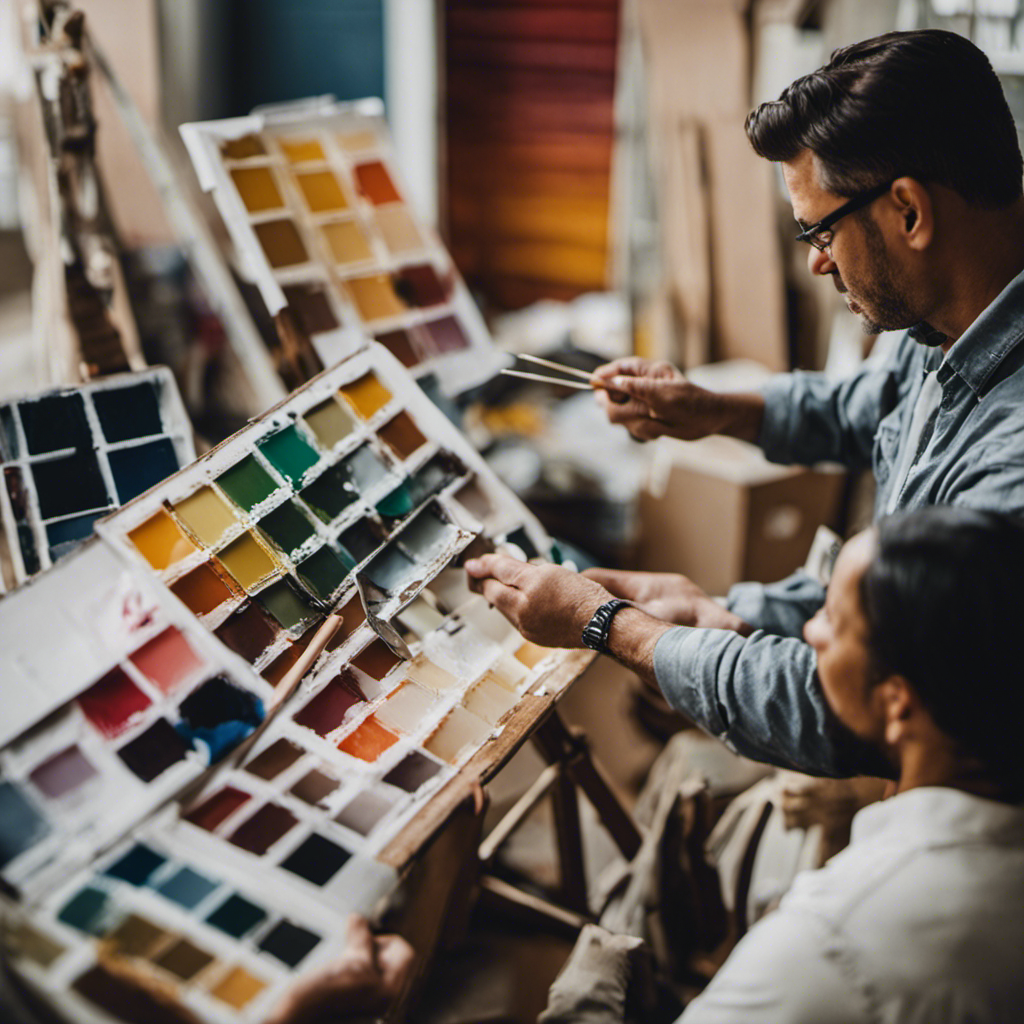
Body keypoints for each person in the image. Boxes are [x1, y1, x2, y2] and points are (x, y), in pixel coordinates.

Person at [469, 28, 1024, 780]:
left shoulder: (1009, 471)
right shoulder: (947, 319)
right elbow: (865, 407)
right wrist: (709, 413)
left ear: (909, 213)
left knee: (691, 790)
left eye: (821, 229)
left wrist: (608, 628)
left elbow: (844, 709)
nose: (816, 259)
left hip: (960, 806)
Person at [535, 507, 1024, 1023]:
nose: (810, 631)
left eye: (833, 617)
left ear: (898, 704)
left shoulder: (825, 941)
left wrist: (586, 994)